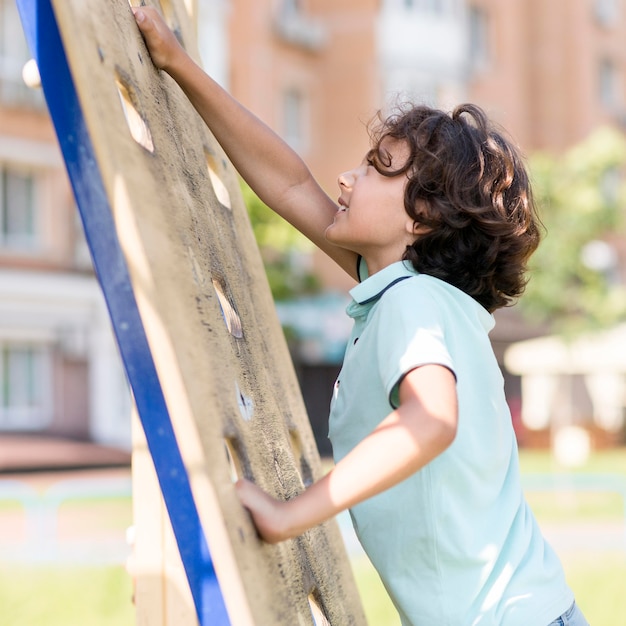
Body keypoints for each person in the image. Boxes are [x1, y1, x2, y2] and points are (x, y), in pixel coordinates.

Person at [133, 7, 589, 626]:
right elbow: (292, 185)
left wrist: (290, 513)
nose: (347, 178)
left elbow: (432, 422)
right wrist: (179, 64)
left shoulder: (413, 302)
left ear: (421, 217)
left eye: (377, 167)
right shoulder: (407, 294)